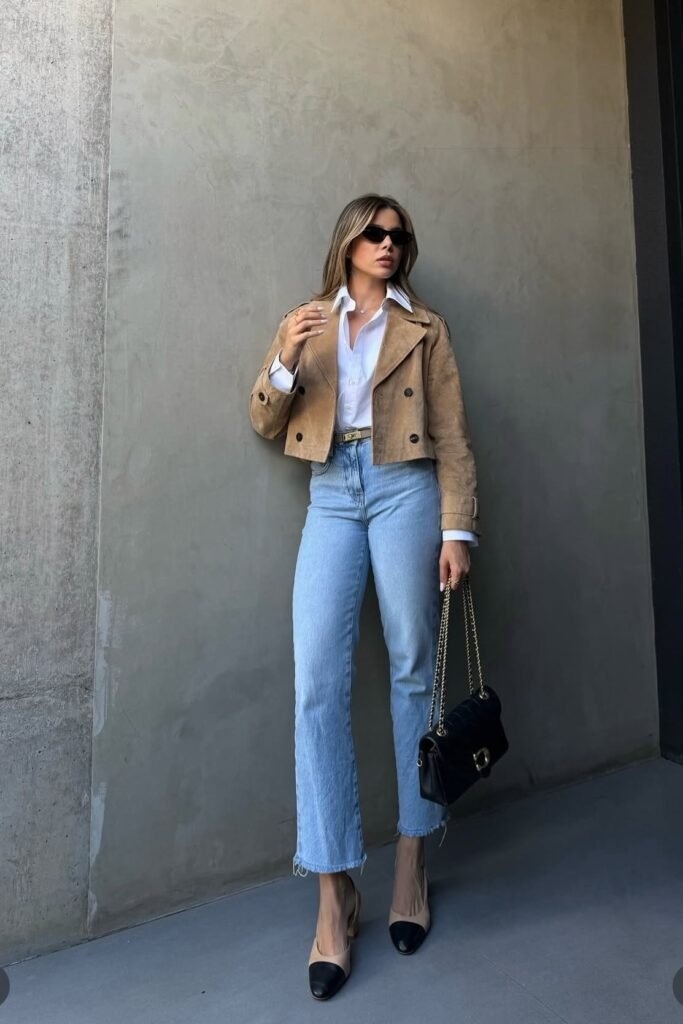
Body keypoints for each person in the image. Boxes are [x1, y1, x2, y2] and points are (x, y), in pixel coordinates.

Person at [248, 193, 480, 1000]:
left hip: (403, 489)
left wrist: (457, 530)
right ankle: (333, 889)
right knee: (317, 682)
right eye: (373, 233)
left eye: (398, 235)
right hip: (332, 494)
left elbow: (450, 434)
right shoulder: (307, 320)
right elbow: (265, 420)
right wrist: (281, 353)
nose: (388, 244)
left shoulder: (425, 328)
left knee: (413, 667)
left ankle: (411, 863)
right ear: (347, 242)